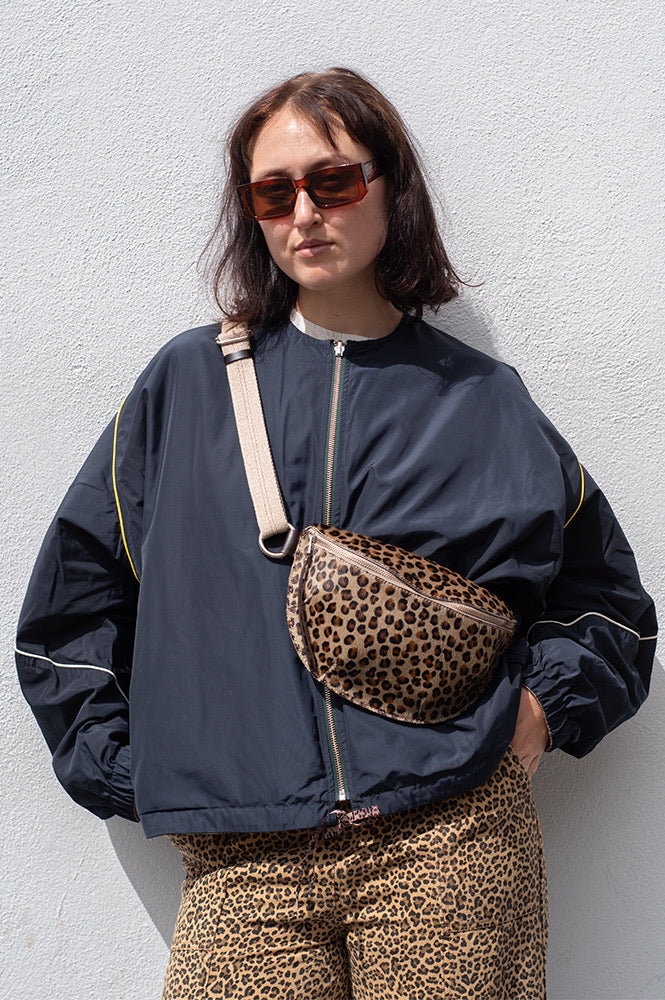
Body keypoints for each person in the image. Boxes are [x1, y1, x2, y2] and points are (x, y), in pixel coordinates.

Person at [15, 67, 656, 1000]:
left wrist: (542, 710)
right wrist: (134, 767)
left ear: (391, 187)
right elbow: (69, 606)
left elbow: (607, 602)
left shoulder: (481, 399)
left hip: (447, 842)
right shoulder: (185, 386)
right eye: (273, 193)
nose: (305, 213)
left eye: (334, 181)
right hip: (243, 863)